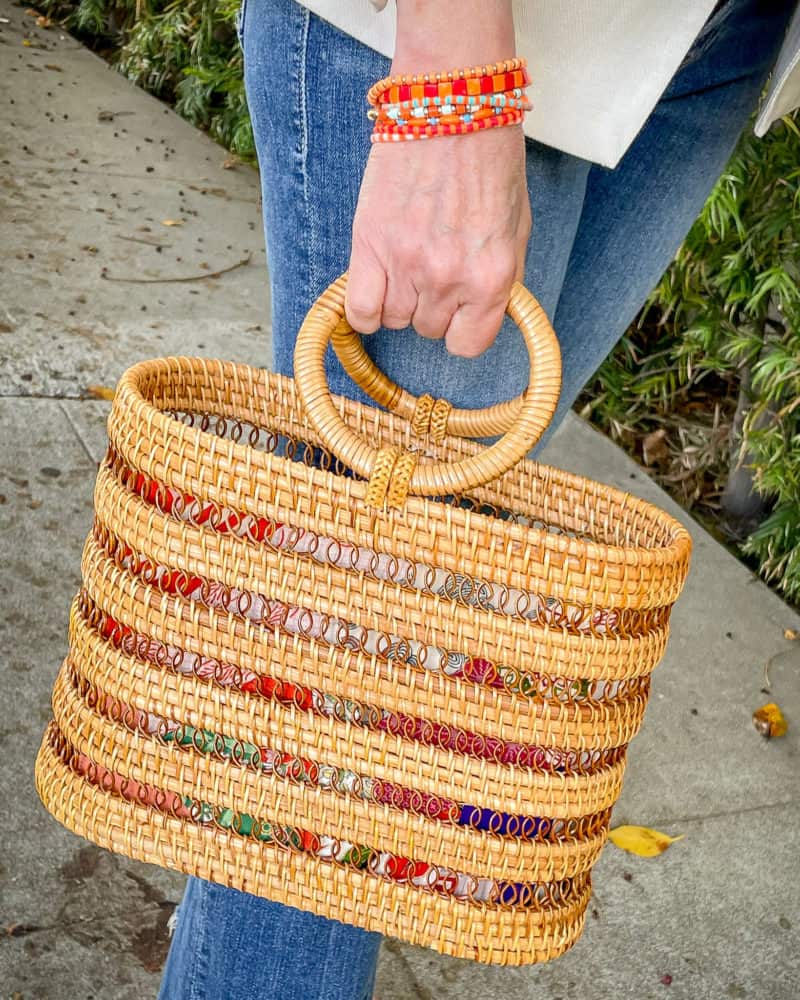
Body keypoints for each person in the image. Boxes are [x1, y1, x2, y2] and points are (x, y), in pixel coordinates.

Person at [158, 1, 798, 997]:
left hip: (700, 38)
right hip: (468, 40)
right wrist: (448, 84)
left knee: (376, 678)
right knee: (345, 720)